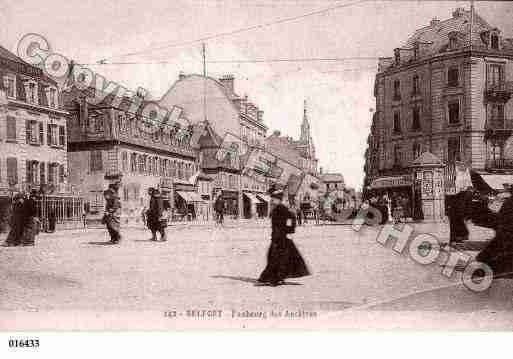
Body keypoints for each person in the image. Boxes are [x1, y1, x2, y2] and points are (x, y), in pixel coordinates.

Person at [257, 188, 310, 287]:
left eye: (274, 198)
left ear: (278, 199)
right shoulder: (278, 207)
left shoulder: (281, 208)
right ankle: (276, 277)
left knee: (276, 258)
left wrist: (289, 230)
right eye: (272, 198)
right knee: (278, 257)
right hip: (278, 236)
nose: (272, 200)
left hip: (281, 237)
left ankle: (274, 279)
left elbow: (291, 217)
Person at [474, 183, 513, 278]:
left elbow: (500, 215)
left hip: (505, 230)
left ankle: (483, 266)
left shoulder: (508, 201)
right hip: (507, 231)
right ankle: (484, 269)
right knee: (500, 250)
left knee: (498, 249)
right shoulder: (509, 202)